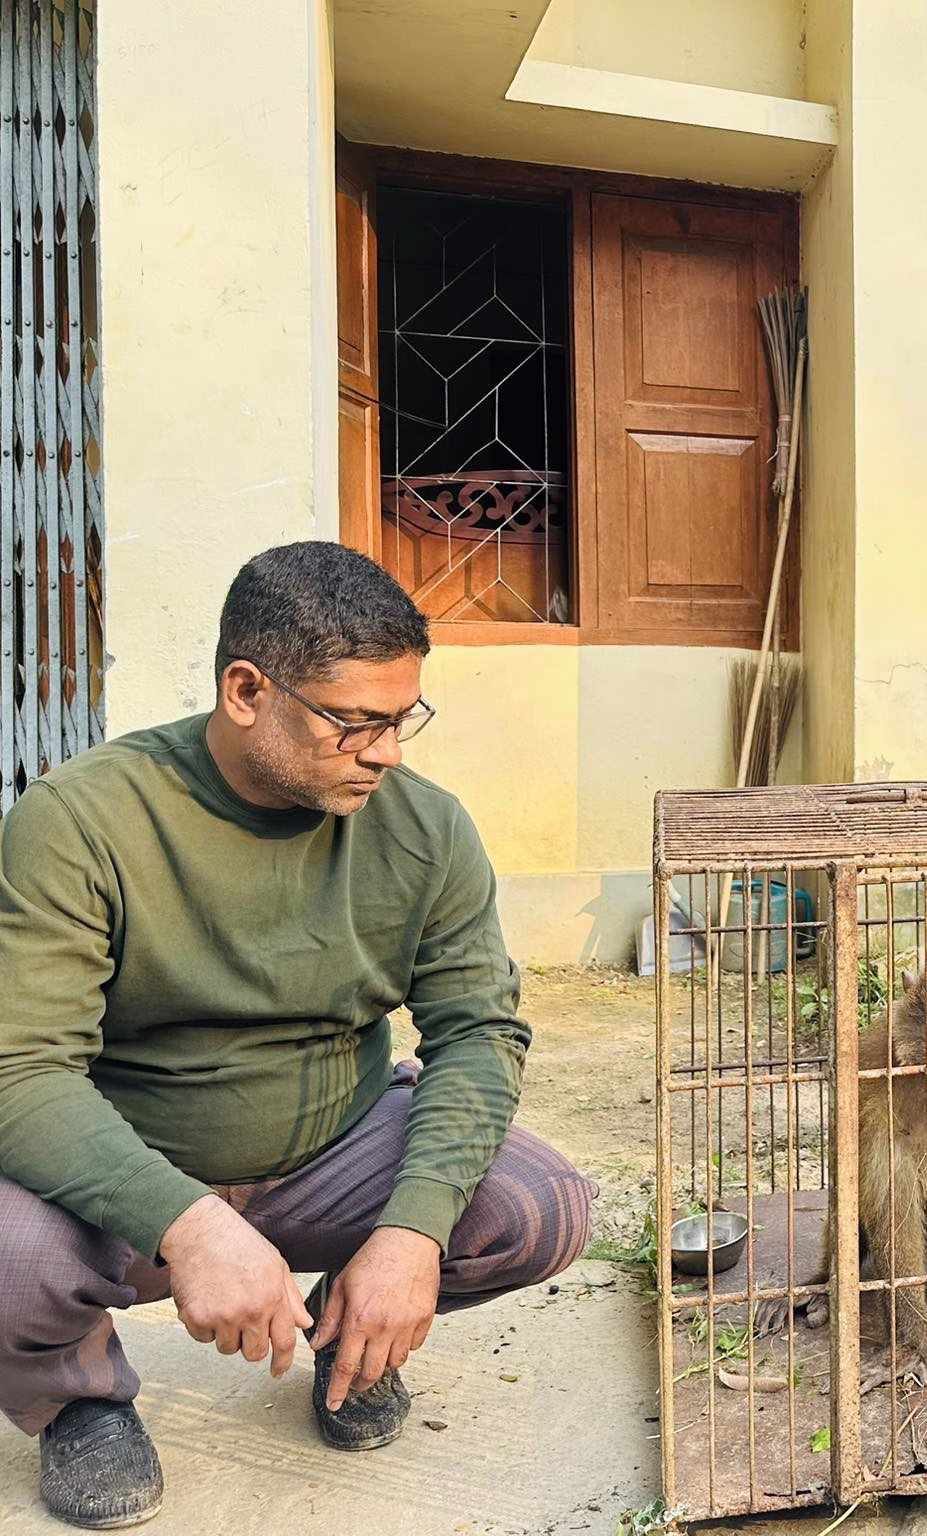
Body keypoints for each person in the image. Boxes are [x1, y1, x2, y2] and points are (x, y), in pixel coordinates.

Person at [0, 543, 596, 1528]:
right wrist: (186, 1222)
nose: (388, 752)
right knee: (8, 1258)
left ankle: (350, 1329)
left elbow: (479, 1030)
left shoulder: (426, 830)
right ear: (246, 691)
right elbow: (21, 1070)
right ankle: (78, 1402)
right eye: (355, 722)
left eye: (403, 718)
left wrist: (410, 1235)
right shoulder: (81, 822)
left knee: (540, 1210)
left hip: (333, 1150)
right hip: (138, 1163)